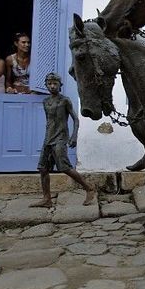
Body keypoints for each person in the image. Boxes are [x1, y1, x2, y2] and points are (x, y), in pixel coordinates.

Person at [31, 72, 97, 208]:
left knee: (64, 167)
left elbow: (75, 119)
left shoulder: (64, 100)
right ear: (46, 86)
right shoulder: (46, 101)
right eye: (49, 84)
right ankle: (46, 199)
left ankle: (89, 188)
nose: (52, 86)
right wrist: (47, 138)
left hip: (60, 138)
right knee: (43, 169)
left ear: (60, 85)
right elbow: (49, 121)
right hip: (48, 138)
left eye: (55, 83)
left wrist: (74, 136)